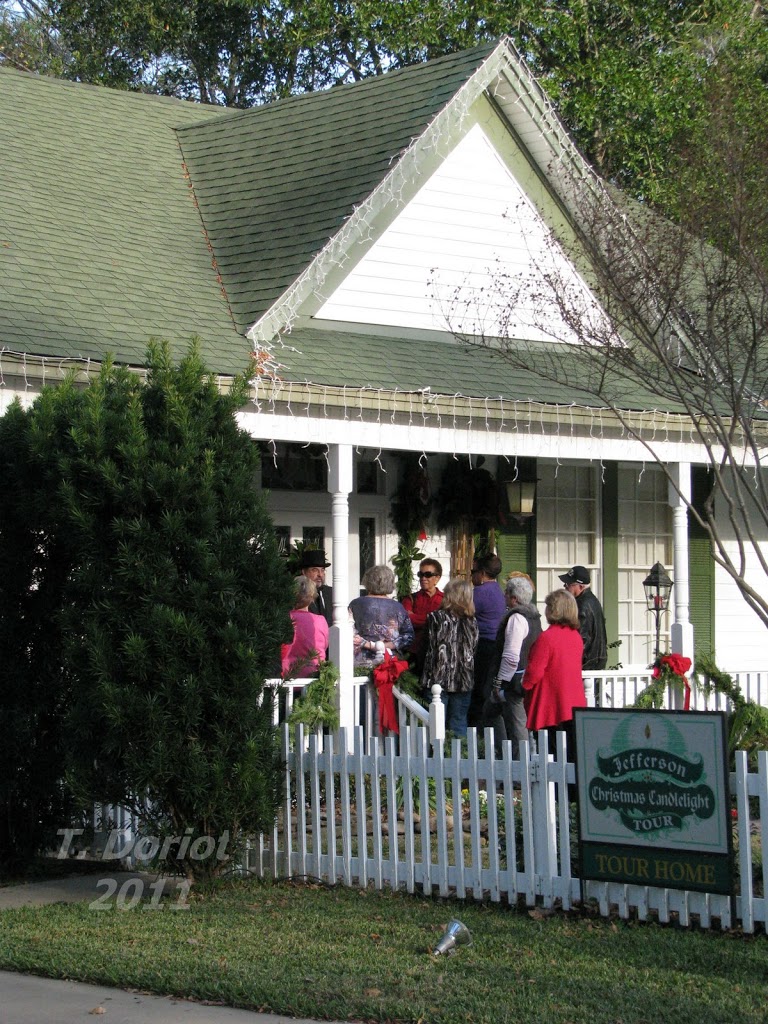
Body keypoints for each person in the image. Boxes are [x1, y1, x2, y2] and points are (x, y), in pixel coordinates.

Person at [523, 589, 586, 760]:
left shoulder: (548, 637)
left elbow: (534, 672)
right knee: (572, 757)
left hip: (550, 704)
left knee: (551, 756)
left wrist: (523, 685)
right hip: (573, 703)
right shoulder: (576, 637)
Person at [483, 575, 542, 757]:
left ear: (514, 598)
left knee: (517, 724)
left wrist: (499, 683)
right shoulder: (534, 618)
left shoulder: (516, 618)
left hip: (513, 681)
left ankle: (519, 767)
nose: (504, 596)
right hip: (524, 676)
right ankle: (506, 754)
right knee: (491, 713)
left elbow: (510, 655)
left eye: (507, 593)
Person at [421, 578, 479, 739]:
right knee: (459, 723)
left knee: (434, 726)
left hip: (436, 678)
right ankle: (459, 759)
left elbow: (426, 646)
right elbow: (473, 649)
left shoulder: (435, 618)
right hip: (463, 679)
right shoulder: (472, 621)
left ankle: (435, 759)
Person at [468, 552, 506, 727]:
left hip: (483, 645)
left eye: (473, 571)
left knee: (478, 690)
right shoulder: (497, 590)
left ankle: (476, 729)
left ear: (482, 573)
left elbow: (462, 613)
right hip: (496, 645)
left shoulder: (480, 592)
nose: (472, 575)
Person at [349, 565, 414, 668]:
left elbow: (348, 632)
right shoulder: (398, 607)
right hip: (389, 661)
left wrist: (368, 644)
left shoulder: (355, 604)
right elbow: (408, 637)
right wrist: (386, 646)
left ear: (368, 581)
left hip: (361, 661)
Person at [558, 565, 607, 670]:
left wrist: (569, 663)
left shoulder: (582, 605)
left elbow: (581, 639)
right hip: (595, 661)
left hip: (586, 664)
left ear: (580, 586)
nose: (565, 587)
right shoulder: (593, 601)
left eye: (568, 584)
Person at [281, 576, 329, 679]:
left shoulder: (285, 618)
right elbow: (324, 646)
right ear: (311, 597)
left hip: (288, 678)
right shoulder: (320, 620)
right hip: (315, 678)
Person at [401, 558, 444, 673]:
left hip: (436, 652)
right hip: (413, 652)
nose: (423, 578)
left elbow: (444, 623)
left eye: (428, 574)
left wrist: (415, 617)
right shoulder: (410, 599)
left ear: (437, 578)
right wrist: (432, 619)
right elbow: (406, 621)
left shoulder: (445, 600)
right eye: (421, 574)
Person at [300, 549, 334, 626]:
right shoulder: (298, 593)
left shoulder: (331, 593)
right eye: (315, 570)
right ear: (304, 572)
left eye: (322, 570)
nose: (320, 574)